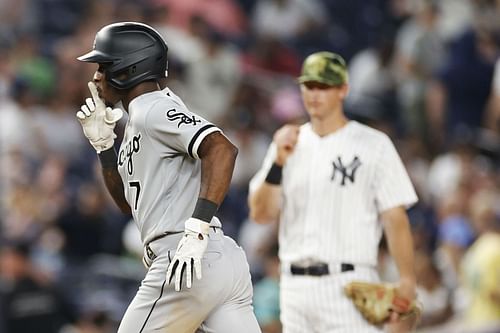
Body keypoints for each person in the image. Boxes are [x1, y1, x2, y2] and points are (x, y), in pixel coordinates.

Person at [76, 22, 261, 333]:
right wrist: (105, 147)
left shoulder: (154, 110)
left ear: (127, 69)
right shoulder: (139, 120)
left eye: (103, 66)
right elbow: (128, 206)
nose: (96, 76)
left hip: (185, 256)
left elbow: (222, 150)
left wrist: (197, 229)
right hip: (217, 263)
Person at [248, 51, 419, 332]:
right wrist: (278, 162)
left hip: (349, 283)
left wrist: (407, 279)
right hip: (293, 286)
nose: (315, 94)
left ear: (343, 90)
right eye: (309, 86)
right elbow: (261, 214)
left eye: (324, 86)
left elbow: (395, 217)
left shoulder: (373, 144)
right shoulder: (288, 143)